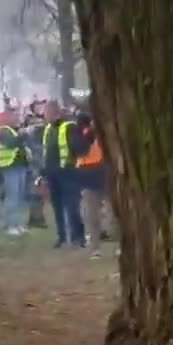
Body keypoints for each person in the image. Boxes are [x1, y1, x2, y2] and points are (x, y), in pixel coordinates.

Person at [41, 100, 87, 248]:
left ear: (55, 112)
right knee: (57, 207)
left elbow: (79, 147)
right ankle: (62, 236)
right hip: (52, 174)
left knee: (72, 206)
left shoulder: (69, 126)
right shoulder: (48, 129)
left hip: (69, 173)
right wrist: (43, 171)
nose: (45, 115)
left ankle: (78, 237)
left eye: (46, 112)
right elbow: (46, 152)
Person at [74, 111, 111, 247]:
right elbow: (81, 148)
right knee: (90, 212)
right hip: (90, 176)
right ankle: (95, 239)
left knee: (107, 209)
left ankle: (105, 233)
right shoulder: (80, 132)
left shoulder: (105, 129)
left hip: (101, 173)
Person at [0, 109, 31, 236]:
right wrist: (23, 135)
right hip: (10, 166)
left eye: (18, 116)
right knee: (12, 197)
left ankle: (18, 224)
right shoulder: (4, 131)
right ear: (7, 118)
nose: (17, 118)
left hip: (21, 166)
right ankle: (10, 225)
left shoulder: (15, 131)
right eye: (14, 116)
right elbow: (11, 144)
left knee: (20, 197)